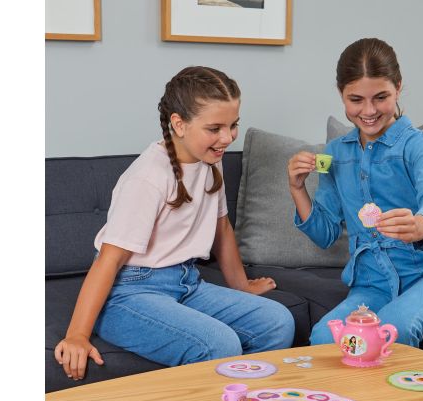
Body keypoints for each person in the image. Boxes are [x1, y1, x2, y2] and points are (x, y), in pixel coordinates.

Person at [55, 66, 295, 381]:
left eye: (233, 125)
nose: (227, 137)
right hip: (128, 294)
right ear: (179, 124)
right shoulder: (149, 178)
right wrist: (77, 335)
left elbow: (222, 228)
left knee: (278, 322)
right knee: (220, 345)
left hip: (186, 282)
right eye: (215, 128)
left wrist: (242, 286)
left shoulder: (211, 160)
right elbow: (109, 259)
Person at [287, 38, 423, 347]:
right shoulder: (335, 154)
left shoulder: (417, 145)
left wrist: (421, 224)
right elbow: (325, 234)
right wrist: (297, 188)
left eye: (381, 97)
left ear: (398, 88)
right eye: (356, 99)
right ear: (341, 94)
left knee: (392, 329)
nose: (369, 111)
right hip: (373, 287)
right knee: (323, 338)